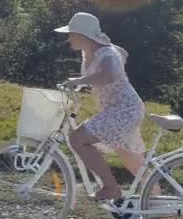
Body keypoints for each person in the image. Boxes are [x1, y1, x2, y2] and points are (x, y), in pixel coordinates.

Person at [54, 12, 148, 202]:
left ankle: (111, 188)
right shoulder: (94, 51)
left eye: (72, 34)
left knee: (78, 139)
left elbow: (109, 75)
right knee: (138, 167)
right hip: (120, 110)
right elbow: (123, 53)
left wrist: (80, 80)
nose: (69, 38)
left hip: (124, 111)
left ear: (84, 36)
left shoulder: (104, 54)